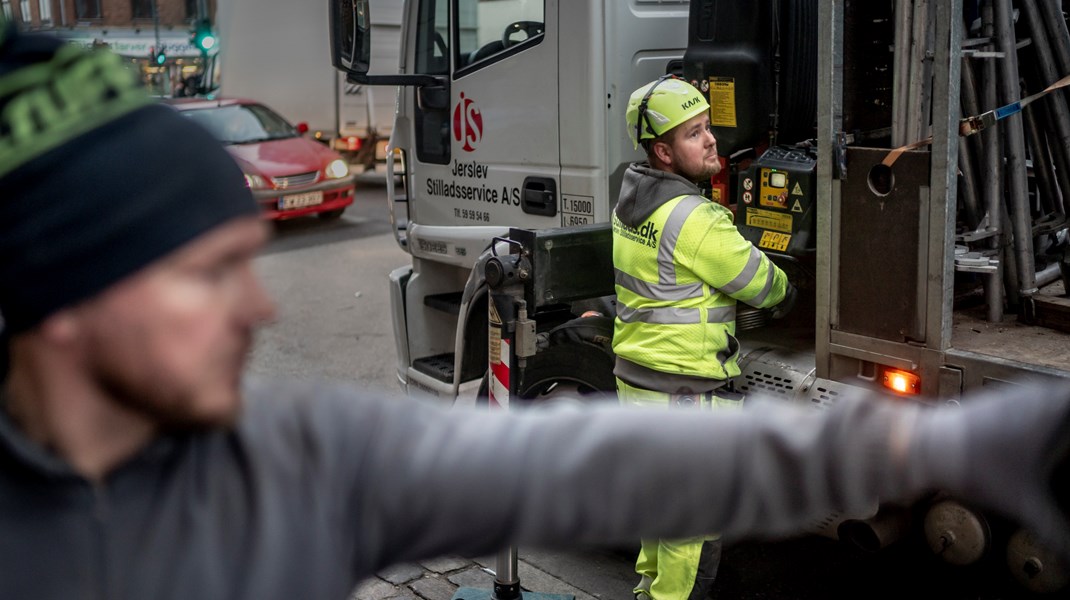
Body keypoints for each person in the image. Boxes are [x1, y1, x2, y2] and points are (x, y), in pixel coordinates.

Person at [2, 23, 1070, 600]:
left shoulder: (292, 461)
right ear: (64, 300)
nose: (258, 305)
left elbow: (587, 467)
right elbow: (759, 291)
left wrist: (939, 441)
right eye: (203, 274)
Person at [611, 76, 798, 599]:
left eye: (708, 126)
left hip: (639, 388)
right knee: (693, 543)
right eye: (695, 134)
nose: (712, 139)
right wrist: (789, 291)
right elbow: (764, 286)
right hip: (683, 397)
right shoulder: (696, 219)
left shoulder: (629, 200)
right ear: (664, 153)